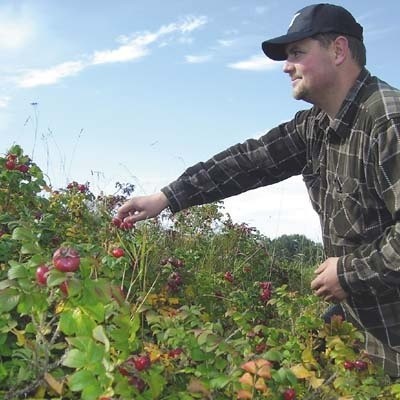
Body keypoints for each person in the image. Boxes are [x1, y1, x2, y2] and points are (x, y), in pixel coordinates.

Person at [117, 4, 400, 377]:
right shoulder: (316, 126)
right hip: (357, 329)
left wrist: (347, 273)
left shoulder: (387, 120)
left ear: (338, 50)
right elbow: (250, 161)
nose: (286, 66)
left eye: (297, 53)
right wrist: (168, 197)